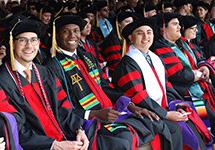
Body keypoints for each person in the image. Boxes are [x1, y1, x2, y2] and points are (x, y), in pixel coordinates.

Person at [0, 19, 134, 150]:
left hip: (66, 134)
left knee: (121, 143)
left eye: (34, 40)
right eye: (22, 40)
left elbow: (63, 107)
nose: (29, 45)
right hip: (38, 145)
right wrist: (53, 145)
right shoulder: (1, 81)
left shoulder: (44, 72)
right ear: (12, 44)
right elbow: (14, 127)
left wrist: (78, 129)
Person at [44, 14, 178, 150]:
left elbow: (105, 86)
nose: (72, 36)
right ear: (56, 35)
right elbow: (60, 107)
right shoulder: (52, 67)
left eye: (76, 31)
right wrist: (94, 114)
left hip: (108, 112)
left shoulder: (87, 57)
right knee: (123, 140)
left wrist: (131, 105)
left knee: (156, 123)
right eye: (66, 31)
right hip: (84, 122)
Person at [113, 17, 213, 150]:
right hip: (141, 111)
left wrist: (175, 104)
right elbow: (138, 96)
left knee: (191, 121)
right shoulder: (127, 64)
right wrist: (166, 114)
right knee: (177, 129)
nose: (145, 37)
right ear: (130, 38)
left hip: (160, 108)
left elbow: (166, 86)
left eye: (149, 32)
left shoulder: (154, 58)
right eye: (140, 33)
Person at [150, 12, 215, 149]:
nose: (179, 27)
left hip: (199, 90)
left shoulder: (182, 43)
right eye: (175, 24)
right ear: (164, 28)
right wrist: (197, 75)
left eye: (179, 24)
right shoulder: (160, 48)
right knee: (205, 124)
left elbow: (200, 58)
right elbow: (178, 74)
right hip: (186, 96)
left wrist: (204, 67)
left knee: (211, 119)